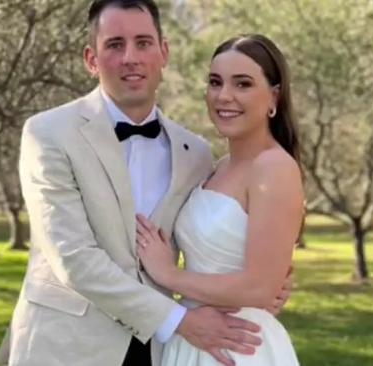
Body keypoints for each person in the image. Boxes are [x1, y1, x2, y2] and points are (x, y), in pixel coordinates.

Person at [0, 1, 291, 365]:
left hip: (162, 352)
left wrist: (263, 288)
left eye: (143, 42)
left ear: (163, 52)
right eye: (115, 44)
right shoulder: (48, 133)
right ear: (91, 58)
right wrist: (179, 320)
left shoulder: (196, 153)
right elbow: (72, 257)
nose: (130, 57)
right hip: (67, 348)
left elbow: (221, 241)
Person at [136, 34, 304, 366]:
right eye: (215, 82)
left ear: (274, 97)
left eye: (242, 84)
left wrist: (169, 275)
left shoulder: (274, 168)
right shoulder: (217, 166)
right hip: (193, 337)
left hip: (239, 346)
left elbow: (260, 289)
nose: (224, 96)